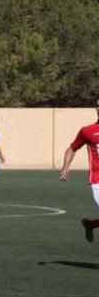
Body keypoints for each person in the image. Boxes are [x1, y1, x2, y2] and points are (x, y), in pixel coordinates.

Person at [58, 98, 99, 243]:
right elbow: (71, 149)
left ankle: (90, 224)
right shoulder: (87, 131)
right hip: (97, 179)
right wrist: (65, 168)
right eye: (98, 106)